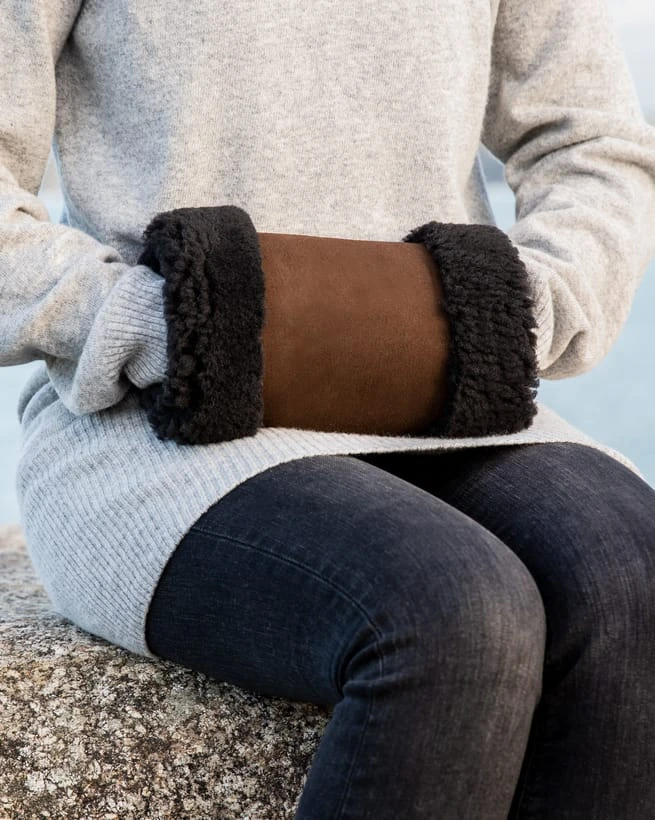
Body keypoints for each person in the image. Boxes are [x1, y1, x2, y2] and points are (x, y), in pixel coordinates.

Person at [3, 0, 655, 816]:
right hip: (160, 422)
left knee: (633, 577)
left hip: (447, 392)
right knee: (451, 608)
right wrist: (166, 327)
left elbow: (590, 143)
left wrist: (513, 320)